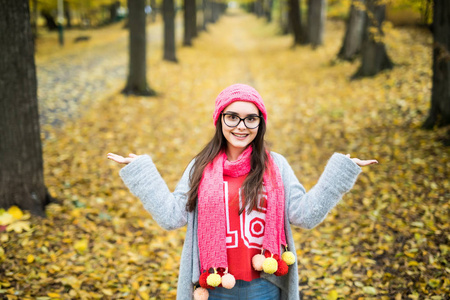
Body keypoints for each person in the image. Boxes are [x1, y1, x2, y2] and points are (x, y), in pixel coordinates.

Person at [107, 84, 377, 300]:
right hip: (213, 285)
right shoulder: (200, 167)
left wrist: (343, 170)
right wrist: (140, 170)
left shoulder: (276, 166)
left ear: (260, 123)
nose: (241, 126)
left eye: (251, 118)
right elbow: (171, 216)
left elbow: (305, 215)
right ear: (219, 119)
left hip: (264, 285)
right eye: (232, 116)